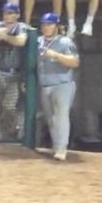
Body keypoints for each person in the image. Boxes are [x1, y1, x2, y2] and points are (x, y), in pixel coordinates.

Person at [36, 12, 79, 161]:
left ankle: (62, 148)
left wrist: (56, 55)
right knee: (51, 118)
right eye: (44, 24)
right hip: (45, 84)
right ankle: (56, 145)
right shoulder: (38, 41)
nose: (46, 27)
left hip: (62, 83)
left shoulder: (65, 42)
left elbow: (74, 62)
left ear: (57, 26)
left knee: (61, 115)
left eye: (49, 24)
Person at [0, 2, 28, 140]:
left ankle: (13, 128)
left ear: (17, 15)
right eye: (5, 13)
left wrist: (6, 37)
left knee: (8, 105)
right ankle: (4, 138)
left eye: (10, 13)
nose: (7, 15)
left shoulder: (22, 27)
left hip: (15, 74)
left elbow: (22, 41)